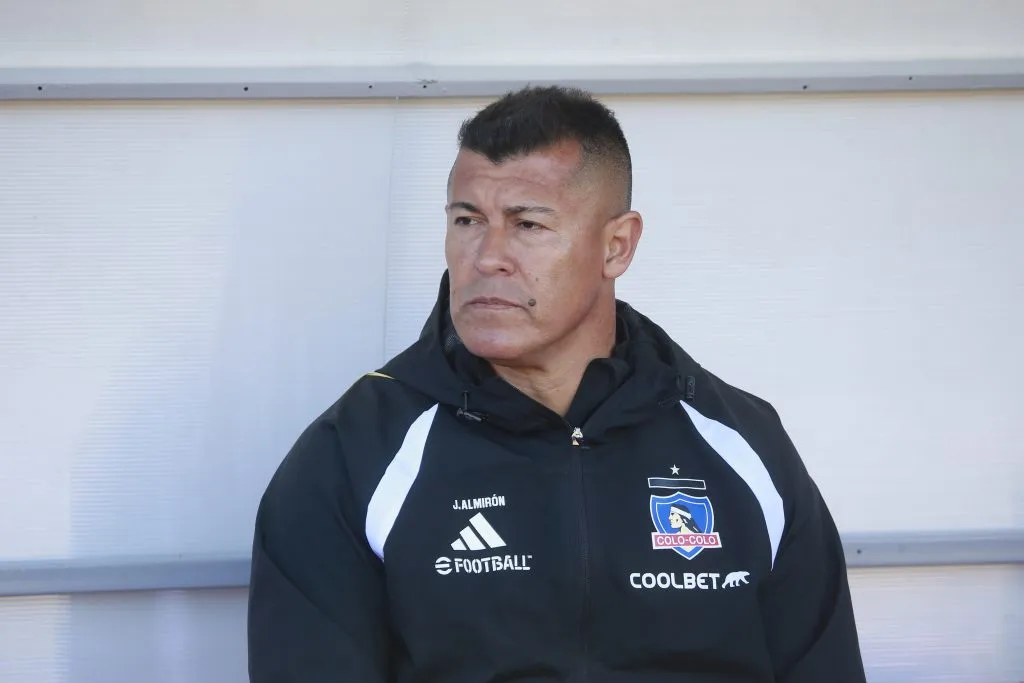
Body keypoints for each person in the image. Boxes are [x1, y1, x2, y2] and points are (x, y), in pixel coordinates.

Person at [246, 85, 867, 682]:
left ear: (616, 246)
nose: (487, 256)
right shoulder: (353, 452)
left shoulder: (741, 443)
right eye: (467, 220)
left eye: (528, 224)